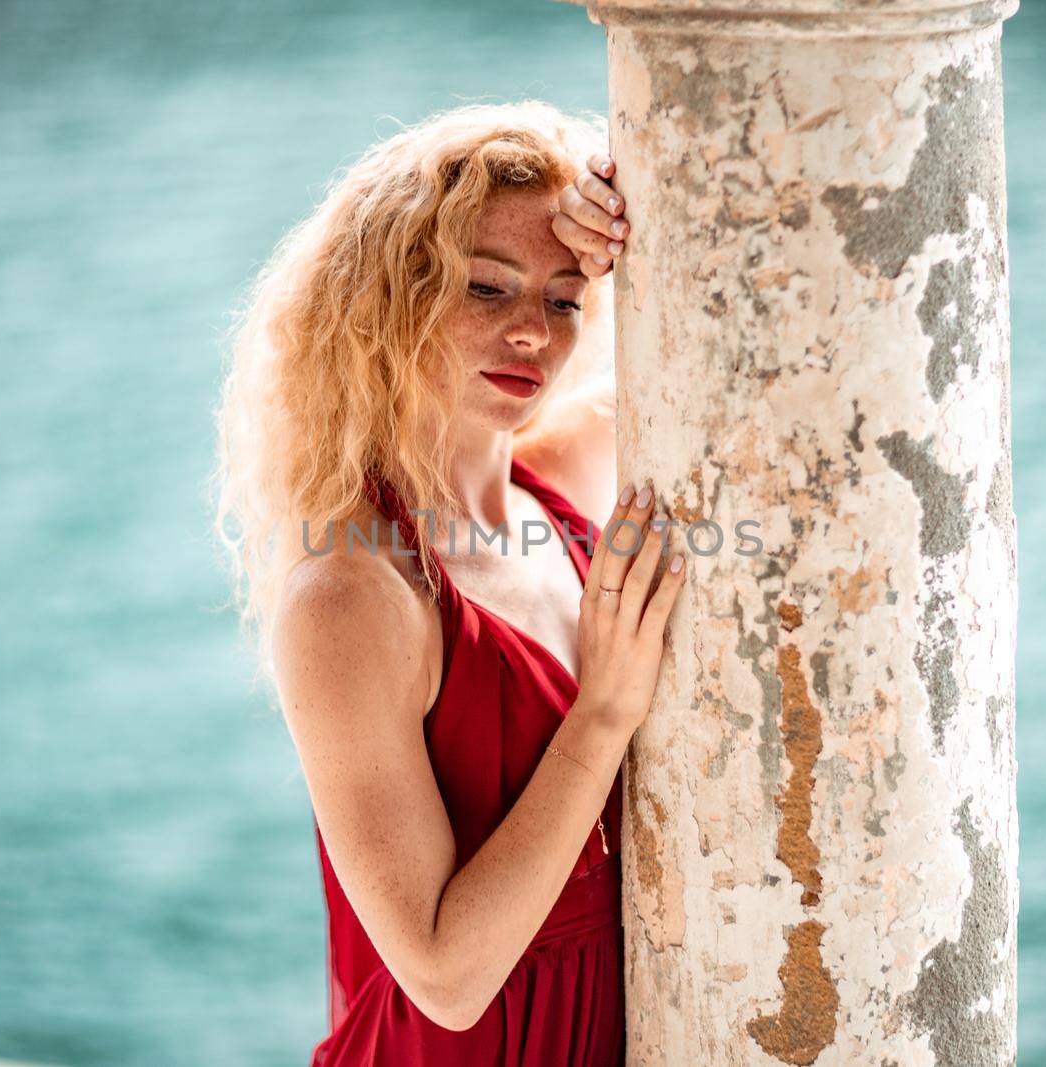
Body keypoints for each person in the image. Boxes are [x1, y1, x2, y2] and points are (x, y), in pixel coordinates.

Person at [211, 100, 689, 1066]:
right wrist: (604, 715)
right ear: (385, 300)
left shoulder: (556, 483)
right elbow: (444, 974)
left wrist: (628, 200)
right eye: (486, 287)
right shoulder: (352, 595)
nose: (533, 334)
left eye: (562, 298)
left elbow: (718, 346)